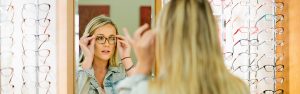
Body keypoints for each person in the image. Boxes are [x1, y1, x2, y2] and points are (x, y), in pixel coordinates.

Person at [116, 0, 249, 94]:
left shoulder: (149, 90)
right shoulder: (237, 88)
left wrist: (143, 65)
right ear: (211, 34)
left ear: (164, 38)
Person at [76, 15, 135, 94]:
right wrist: (88, 58)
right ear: (89, 41)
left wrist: (126, 58)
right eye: (100, 38)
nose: (107, 44)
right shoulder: (75, 72)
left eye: (111, 38)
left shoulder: (123, 71)